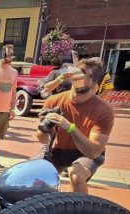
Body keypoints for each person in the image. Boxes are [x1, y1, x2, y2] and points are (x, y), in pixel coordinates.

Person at [35, 57, 113, 195]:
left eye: (87, 75)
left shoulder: (104, 109)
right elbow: (42, 140)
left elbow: (93, 151)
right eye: (79, 72)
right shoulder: (54, 100)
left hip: (85, 152)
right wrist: (45, 126)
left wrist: (70, 128)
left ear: (95, 82)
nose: (80, 77)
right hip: (56, 149)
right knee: (30, 173)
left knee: (76, 175)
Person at [0, 43, 19, 169]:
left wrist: (12, 109)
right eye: (8, 54)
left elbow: (13, 91)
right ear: (2, 54)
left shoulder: (14, 72)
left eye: (12, 54)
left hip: (4, 110)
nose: (10, 57)